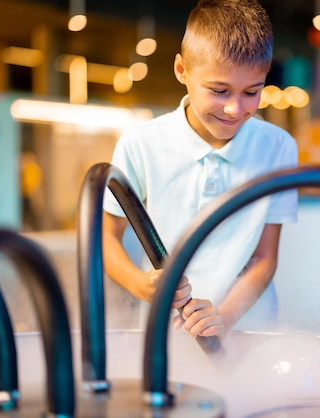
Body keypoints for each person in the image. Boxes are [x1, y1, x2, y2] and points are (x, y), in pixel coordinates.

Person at [102, 0, 298, 339]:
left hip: (250, 331)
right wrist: (140, 284)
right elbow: (105, 240)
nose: (235, 108)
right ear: (182, 70)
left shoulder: (278, 147)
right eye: (219, 91)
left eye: (252, 92)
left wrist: (222, 317)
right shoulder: (141, 144)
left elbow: (265, 257)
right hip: (166, 332)